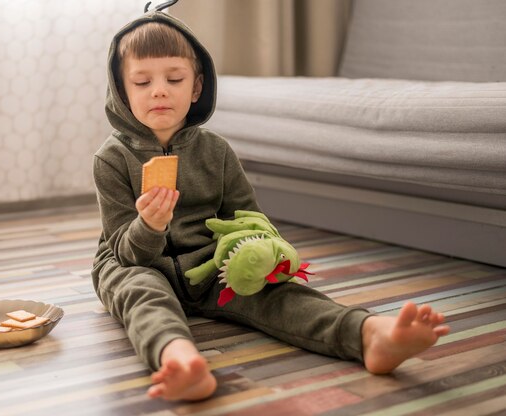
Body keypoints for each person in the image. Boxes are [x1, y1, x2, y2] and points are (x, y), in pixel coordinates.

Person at [92, 10, 450, 402]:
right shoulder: (111, 159)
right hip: (135, 261)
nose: (159, 90)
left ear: (196, 88)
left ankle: (368, 335)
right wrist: (149, 225)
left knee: (276, 293)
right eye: (143, 82)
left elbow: (249, 218)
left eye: (173, 79)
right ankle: (180, 361)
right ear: (123, 91)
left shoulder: (217, 152)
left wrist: (264, 253)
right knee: (144, 293)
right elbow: (125, 252)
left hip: (211, 262)